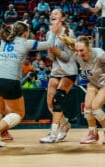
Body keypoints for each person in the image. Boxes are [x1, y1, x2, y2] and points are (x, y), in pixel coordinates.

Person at [0, 20, 58, 147]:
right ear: (25, 34)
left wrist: (20, 25)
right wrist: (52, 31)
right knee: (18, 114)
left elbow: (14, 31)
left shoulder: (4, 40)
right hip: (9, 79)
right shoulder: (26, 43)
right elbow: (50, 44)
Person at [66, 35, 105, 144]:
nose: (79, 53)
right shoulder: (77, 56)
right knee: (87, 110)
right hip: (93, 83)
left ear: (88, 47)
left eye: (81, 50)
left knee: (96, 109)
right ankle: (93, 134)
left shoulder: (100, 55)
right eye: (77, 50)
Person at [39, 9, 78, 143]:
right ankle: (65, 123)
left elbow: (67, 57)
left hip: (69, 71)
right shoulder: (50, 33)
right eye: (52, 13)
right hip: (56, 71)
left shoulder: (69, 33)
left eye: (56, 14)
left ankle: (53, 133)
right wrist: (51, 52)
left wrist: (55, 50)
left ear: (62, 18)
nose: (52, 15)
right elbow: (51, 57)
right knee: (50, 102)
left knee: (57, 100)